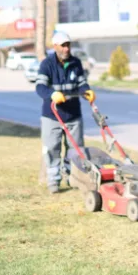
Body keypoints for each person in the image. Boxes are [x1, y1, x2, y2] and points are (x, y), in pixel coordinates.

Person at [35, 30, 95, 194]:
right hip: (52, 116)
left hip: (73, 116)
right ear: (55, 46)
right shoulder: (47, 64)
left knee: (74, 149)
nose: (66, 49)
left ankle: (71, 177)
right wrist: (51, 94)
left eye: (68, 45)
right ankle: (53, 180)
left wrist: (87, 91)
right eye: (63, 46)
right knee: (52, 148)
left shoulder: (76, 63)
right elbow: (40, 87)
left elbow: (82, 83)